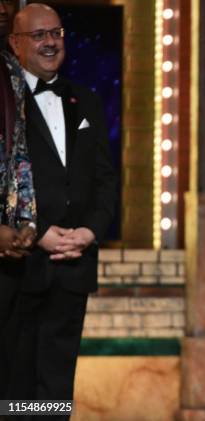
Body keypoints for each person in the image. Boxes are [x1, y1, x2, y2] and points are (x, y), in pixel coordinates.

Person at [6, 2, 117, 408]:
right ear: (15, 43)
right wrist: (38, 233)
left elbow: (105, 180)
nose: (51, 42)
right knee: (15, 392)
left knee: (56, 391)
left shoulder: (85, 100)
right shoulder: (3, 103)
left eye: (57, 33)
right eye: (39, 35)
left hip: (73, 268)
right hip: (18, 270)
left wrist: (89, 232)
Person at [0, 0, 37, 400]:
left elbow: (21, 155)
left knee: (16, 390)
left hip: (11, 258)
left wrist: (27, 223)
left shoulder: (13, 72)